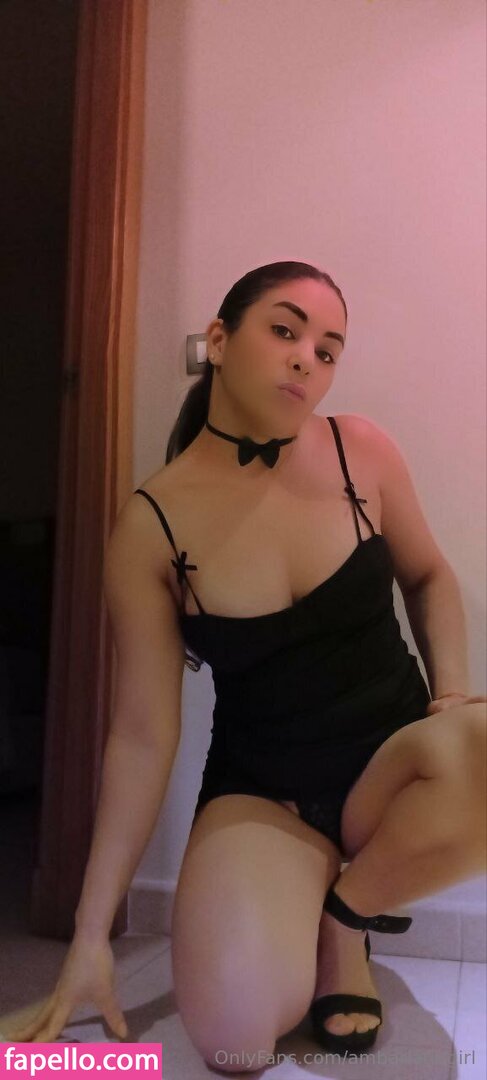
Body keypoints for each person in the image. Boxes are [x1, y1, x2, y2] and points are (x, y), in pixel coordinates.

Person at [10, 262, 486, 1066]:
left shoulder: (360, 452)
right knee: (233, 1041)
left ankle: (344, 922)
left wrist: (451, 696)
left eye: (328, 350)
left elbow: (429, 576)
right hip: (265, 792)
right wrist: (90, 933)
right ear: (220, 340)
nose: (307, 358)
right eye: (285, 329)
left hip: (388, 771)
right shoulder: (151, 525)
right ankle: (311, 894)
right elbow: (140, 736)